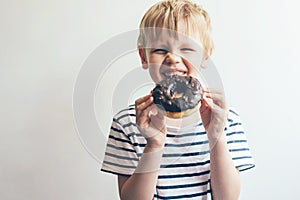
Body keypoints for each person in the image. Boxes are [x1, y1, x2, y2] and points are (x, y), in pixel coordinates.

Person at [101, 0, 255, 199]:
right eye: (159, 50)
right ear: (144, 57)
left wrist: (217, 137)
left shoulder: (225, 118)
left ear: (205, 57)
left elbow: (228, 197)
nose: (173, 58)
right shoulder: (128, 123)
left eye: (187, 49)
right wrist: (153, 145)